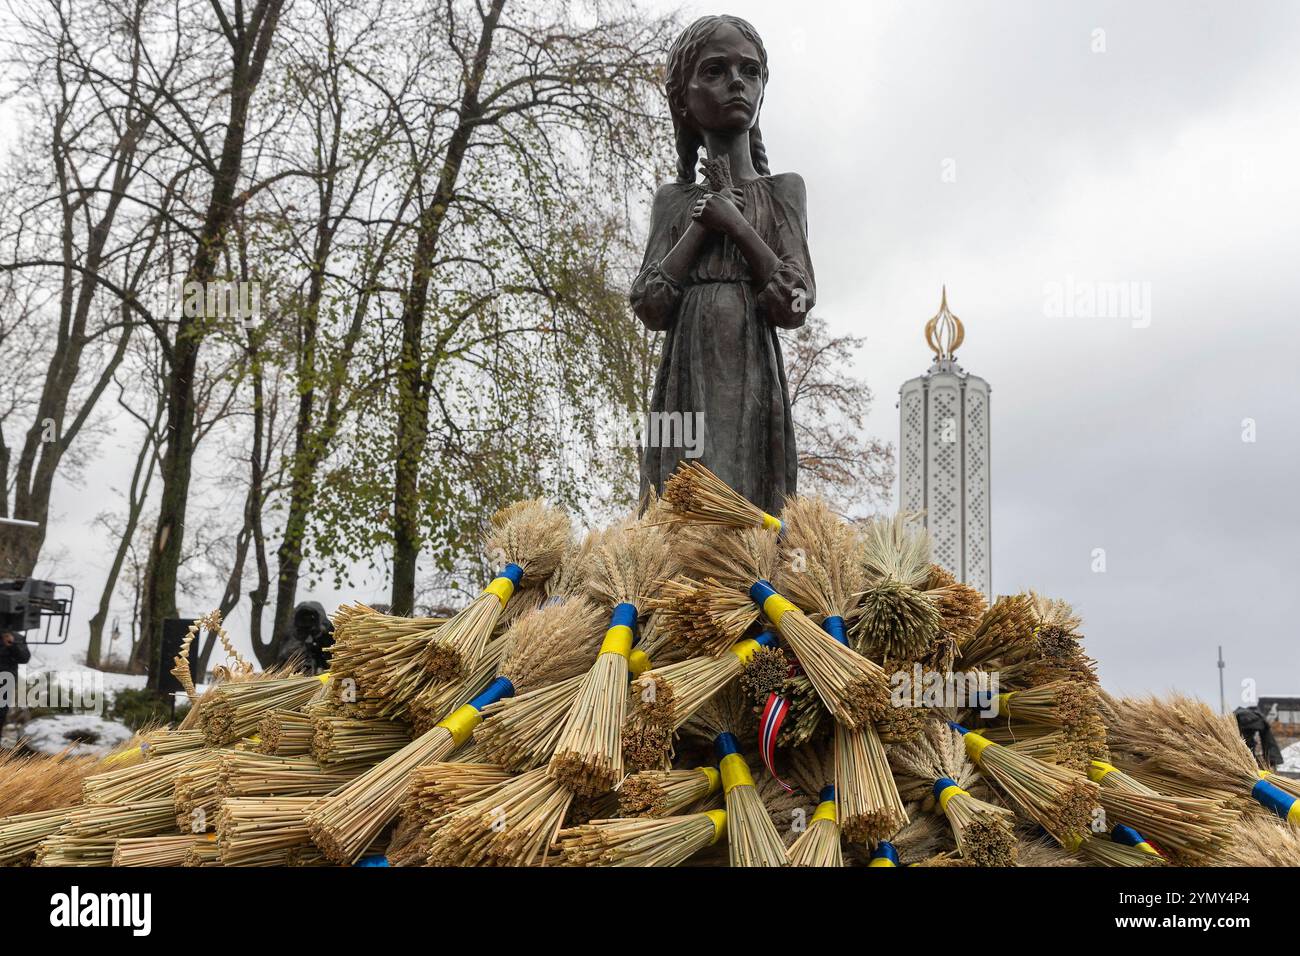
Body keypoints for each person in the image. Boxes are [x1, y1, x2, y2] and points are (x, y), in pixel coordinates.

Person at [631, 14, 815, 514]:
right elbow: (650, 304)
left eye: (750, 71)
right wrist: (702, 224)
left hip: (752, 372)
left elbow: (795, 300)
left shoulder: (784, 191)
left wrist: (736, 224)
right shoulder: (672, 201)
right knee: (679, 502)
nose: (737, 82)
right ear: (683, 102)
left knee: (750, 502)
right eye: (714, 70)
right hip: (684, 375)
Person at [274, 602, 334, 675]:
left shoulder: (325, 629)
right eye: (304, 619)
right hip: (295, 675)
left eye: (310, 619)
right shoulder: (291, 633)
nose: (307, 622)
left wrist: (321, 636)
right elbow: (282, 660)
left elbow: (335, 653)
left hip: (324, 669)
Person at [0, 630, 32, 741]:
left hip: (5, 682)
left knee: (1, 714)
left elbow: (24, 658)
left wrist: (12, 644)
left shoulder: (17, 638)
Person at [1234, 705, 1283, 770]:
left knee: (1246, 744)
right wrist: (1272, 759)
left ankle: (1250, 763)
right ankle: (1271, 759)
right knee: (1249, 744)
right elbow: (1268, 739)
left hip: (1239, 726)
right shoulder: (1257, 714)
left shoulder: (1238, 713)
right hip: (1250, 724)